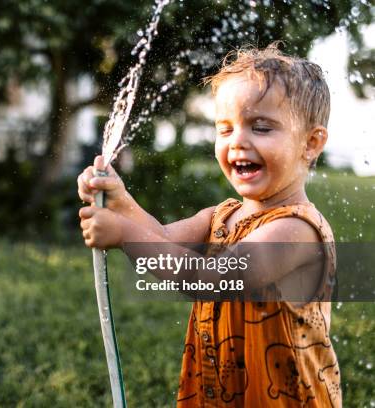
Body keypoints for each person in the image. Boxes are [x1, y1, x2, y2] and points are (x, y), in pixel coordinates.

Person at [77, 43, 341, 407]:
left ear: (311, 143)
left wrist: (124, 234)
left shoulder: (297, 229)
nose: (238, 142)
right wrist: (123, 203)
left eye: (261, 128)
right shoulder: (222, 215)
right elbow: (162, 238)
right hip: (222, 390)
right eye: (225, 129)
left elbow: (214, 279)